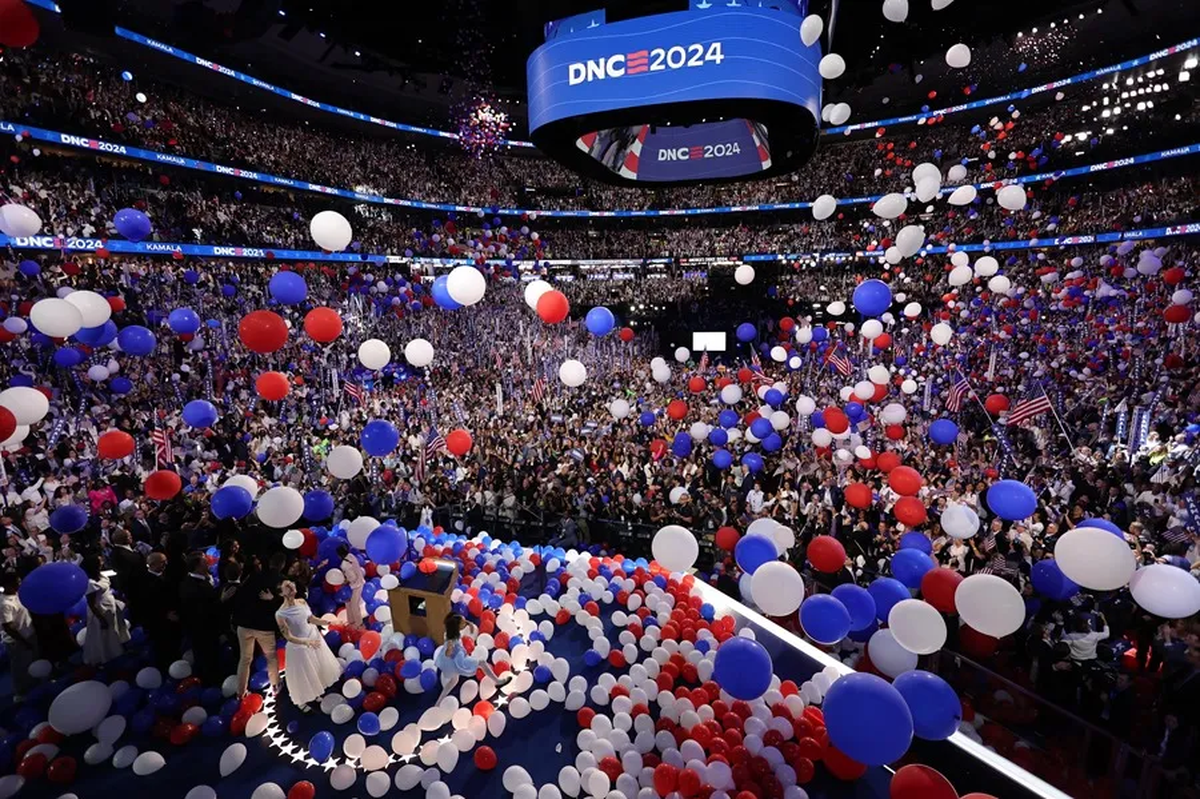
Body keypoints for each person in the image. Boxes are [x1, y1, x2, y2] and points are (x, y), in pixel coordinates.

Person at [274, 579, 339, 711]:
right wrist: (306, 642)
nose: (291, 586)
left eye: (291, 583)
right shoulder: (280, 614)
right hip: (300, 647)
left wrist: (327, 622)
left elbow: (311, 619)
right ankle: (303, 701)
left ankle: (316, 693)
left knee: (316, 669)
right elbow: (288, 636)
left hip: (313, 637)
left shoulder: (302, 602)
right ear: (281, 593)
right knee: (305, 675)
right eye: (286, 586)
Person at [232, 552, 283, 697]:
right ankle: (275, 686)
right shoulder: (279, 581)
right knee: (271, 657)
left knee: (245, 659)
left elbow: (240, 597)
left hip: (244, 624)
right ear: (282, 565)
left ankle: (240, 692)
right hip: (264, 626)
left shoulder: (252, 577)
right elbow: (284, 604)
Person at [433, 612, 511, 704]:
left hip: (456, 659)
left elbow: (463, 622)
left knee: (453, 681)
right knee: (482, 663)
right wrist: (450, 649)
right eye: (463, 623)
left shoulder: (452, 631)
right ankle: (497, 681)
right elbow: (447, 654)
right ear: (457, 625)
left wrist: (469, 624)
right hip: (459, 660)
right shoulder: (452, 638)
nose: (465, 623)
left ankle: (438, 703)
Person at [178, 551, 223, 684]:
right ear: (197, 566)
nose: (208, 563)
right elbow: (203, 608)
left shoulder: (191, 581)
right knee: (207, 656)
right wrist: (221, 600)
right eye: (204, 563)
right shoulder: (194, 586)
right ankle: (210, 681)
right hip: (202, 629)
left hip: (203, 628)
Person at [82, 553, 130, 665]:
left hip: (110, 605)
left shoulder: (101, 575)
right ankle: (105, 655)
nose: (102, 563)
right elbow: (91, 604)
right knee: (103, 634)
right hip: (100, 610)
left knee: (114, 629)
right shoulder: (90, 583)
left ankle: (117, 649)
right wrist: (100, 618)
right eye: (100, 562)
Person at [0, 571, 38, 699]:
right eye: (18, 582)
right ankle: (20, 693)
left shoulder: (17, 594)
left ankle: (35, 685)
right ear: (8, 585)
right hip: (17, 641)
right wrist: (23, 641)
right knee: (20, 667)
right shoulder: (5, 604)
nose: (20, 584)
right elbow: (8, 627)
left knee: (32, 661)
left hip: (29, 634)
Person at [338, 544, 365, 630]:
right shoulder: (351, 556)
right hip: (356, 583)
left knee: (353, 605)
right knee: (349, 603)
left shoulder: (345, 564)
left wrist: (346, 581)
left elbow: (352, 576)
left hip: (355, 585)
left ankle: (359, 625)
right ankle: (352, 623)